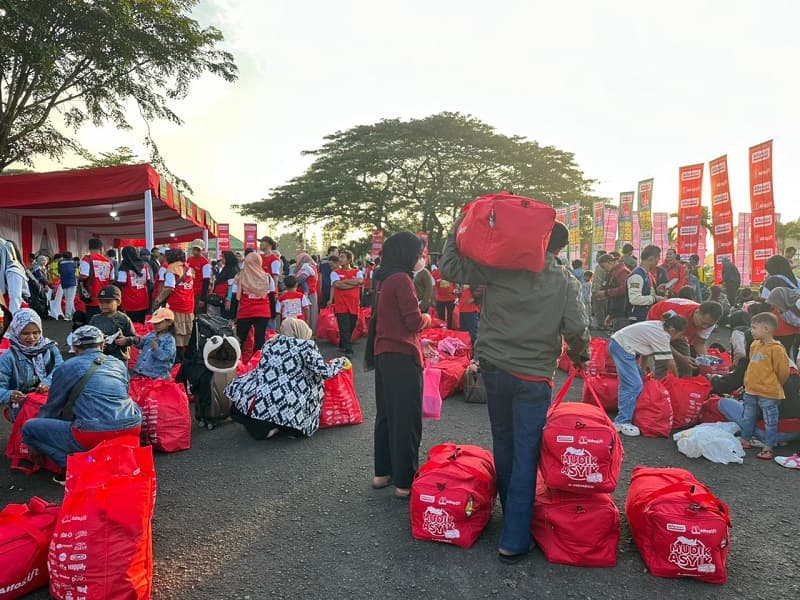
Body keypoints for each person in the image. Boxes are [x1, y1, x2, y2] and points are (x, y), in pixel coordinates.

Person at [440, 220, 589, 563]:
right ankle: (515, 536)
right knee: (526, 451)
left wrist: (456, 228)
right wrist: (580, 355)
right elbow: (577, 328)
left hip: (494, 368)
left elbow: (450, 267)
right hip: (534, 376)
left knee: (504, 443)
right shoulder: (564, 279)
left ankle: (512, 522)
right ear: (560, 248)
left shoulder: (502, 266)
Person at [21, 325, 142, 483]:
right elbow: (123, 393)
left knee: (29, 428)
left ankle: (72, 467)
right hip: (131, 426)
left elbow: (53, 406)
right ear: (102, 345)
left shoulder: (67, 367)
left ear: (75, 347)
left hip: (94, 433)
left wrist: (37, 438)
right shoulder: (118, 363)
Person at [366, 232, 432, 500]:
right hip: (403, 356)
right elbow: (413, 322)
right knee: (406, 418)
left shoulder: (383, 278)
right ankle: (404, 482)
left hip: (384, 353)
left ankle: (382, 473)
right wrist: (427, 318)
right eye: (418, 253)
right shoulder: (402, 280)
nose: (421, 258)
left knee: (386, 415)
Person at [226, 318, 349, 440]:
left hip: (263, 398)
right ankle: (281, 428)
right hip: (291, 402)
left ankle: (264, 426)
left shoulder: (270, 344)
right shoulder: (306, 346)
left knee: (251, 414)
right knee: (297, 429)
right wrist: (340, 362)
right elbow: (325, 372)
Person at [608, 314, 688, 436]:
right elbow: (669, 361)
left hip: (621, 345)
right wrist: (677, 380)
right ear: (672, 330)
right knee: (634, 385)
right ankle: (622, 421)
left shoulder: (659, 326)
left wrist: (642, 367)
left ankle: (628, 413)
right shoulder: (663, 335)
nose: (678, 338)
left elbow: (645, 347)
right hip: (623, 348)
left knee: (636, 380)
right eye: (679, 335)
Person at [739, 312, 790, 460]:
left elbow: (783, 372)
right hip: (751, 390)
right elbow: (751, 364)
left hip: (769, 393)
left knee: (770, 421)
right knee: (748, 416)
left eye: (754, 327)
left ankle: (768, 447)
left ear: (766, 329)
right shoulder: (754, 345)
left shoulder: (777, 349)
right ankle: (745, 439)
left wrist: (773, 384)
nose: (751, 331)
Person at [0, 309, 63, 422]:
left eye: (36, 332)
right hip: (23, 409)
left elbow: (60, 370)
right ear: (16, 331)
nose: (31, 337)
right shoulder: (8, 357)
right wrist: (10, 395)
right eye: (25, 333)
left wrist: (47, 382)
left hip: (50, 404)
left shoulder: (50, 348)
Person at [646, 299, 723, 377]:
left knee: (688, 365)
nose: (704, 327)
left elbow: (699, 343)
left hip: (679, 330)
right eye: (703, 322)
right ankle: (659, 381)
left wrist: (707, 362)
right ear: (696, 312)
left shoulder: (709, 322)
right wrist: (681, 358)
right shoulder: (678, 315)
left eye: (709, 325)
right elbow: (662, 341)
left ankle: (683, 382)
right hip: (659, 320)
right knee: (664, 362)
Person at [152, 249, 195, 360]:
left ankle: (177, 359)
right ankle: (187, 357)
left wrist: (158, 300)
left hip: (176, 304)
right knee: (186, 332)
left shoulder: (172, 269)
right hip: (188, 304)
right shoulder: (187, 268)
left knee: (176, 332)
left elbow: (169, 288)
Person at [760, 254, 800, 359]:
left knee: (781, 357)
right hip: (797, 323)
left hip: (780, 325)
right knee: (794, 355)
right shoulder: (796, 281)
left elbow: (765, 303)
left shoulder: (772, 281)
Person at [234, 251, 273, 352]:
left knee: (239, 339)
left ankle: (238, 360)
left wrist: (233, 314)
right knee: (260, 340)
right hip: (263, 311)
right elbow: (272, 295)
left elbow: (234, 294)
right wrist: (273, 313)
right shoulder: (267, 277)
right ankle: (258, 359)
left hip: (245, 311)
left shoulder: (240, 276)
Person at [89, 285, 138, 364]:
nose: (104, 305)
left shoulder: (124, 319)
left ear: (118, 302)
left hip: (119, 358)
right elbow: (89, 337)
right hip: (100, 358)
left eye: (108, 302)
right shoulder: (95, 319)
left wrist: (126, 340)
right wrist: (98, 342)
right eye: (101, 302)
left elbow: (135, 338)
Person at [329, 250, 363, 356]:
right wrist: (353, 283)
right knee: (344, 327)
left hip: (353, 304)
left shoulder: (357, 271)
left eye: (342, 257)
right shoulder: (335, 273)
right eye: (340, 257)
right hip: (341, 304)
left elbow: (360, 281)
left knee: (351, 325)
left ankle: (342, 344)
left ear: (349, 260)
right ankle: (349, 350)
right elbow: (337, 285)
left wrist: (344, 282)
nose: (340, 259)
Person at [132, 308, 177, 379]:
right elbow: (142, 344)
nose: (156, 325)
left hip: (156, 375)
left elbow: (166, 356)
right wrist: (137, 341)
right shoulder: (152, 334)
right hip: (141, 371)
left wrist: (157, 349)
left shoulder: (170, 340)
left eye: (159, 323)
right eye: (154, 323)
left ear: (169, 323)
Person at [625, 244, 666, 324]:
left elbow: (647, 292)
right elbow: (634, 299)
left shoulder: (647, 274)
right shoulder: (637, 275)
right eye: (657, 260)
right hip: (637, 318)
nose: (657, 263)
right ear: (651, 259)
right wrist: (655, 298)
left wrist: (656, 290)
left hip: (645, 316)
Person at [80, 238, 114, 321]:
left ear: (89, 248)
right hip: (105, 295)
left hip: (92, 295)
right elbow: (112, 278)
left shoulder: (87, 259)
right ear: (101, 248)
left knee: (92, 320)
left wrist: (78, 277)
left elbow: (84, 276)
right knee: (105, 319)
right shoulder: (108, 261)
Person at [594, 253, 631, 331]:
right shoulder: (615, 271)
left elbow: (624, 289)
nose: (604, 269)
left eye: (603, 267)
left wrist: (606, 293)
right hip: (618, 311)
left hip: (622, 312)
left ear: (609, 262)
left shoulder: (622, 271)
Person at [115, 246, 151, 323]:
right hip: (143, 300)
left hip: (129, 301)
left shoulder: (124, 267)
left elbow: (121, 283)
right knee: (142, 323)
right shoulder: (144, 266)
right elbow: (148, 280)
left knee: (131, 324)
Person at [0, 239, 30, 314]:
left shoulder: (13, 270)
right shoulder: (5, 269)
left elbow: (15, 299)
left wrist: (11, 319)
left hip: (14, 311)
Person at [210, 251, 239, 319]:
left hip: (229, 299)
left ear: (228, 258)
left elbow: (231, 286)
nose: (222, 259)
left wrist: (228, 300)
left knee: (226, 318)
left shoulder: (232, 269)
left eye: (223, 257)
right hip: (223, 298)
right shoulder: (227, 268)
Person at [294, 253, 319, 332]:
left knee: (308, 313)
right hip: (307, 293)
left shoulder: (308, 267)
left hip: (308, 294)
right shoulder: (311, 266)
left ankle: (308, 331)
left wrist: (293, 280)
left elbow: (302, 278)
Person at [187, 239, 212, 314]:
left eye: (198, 250)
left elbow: (206, 281)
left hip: (199, 294)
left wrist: (203, 298)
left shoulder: (205, 263)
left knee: (199, 315)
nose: (195, 252)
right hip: (189, 292)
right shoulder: (189, 260)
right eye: (194, 249)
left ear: (202, 250)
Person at [432, 265, 457, 329]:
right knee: (441, 318)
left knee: (450, 317)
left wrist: (457, 296)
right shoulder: (434, 273)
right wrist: (433, 299)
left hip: (451, 298)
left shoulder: (451, 272)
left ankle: (450, 330)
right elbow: (433, 288)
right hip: (440, 299)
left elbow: (456, 283)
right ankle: (441, 330)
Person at [54, 251, 77, 320]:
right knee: (70, 300)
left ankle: (74, 315)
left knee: (68, 299)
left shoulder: (60, 262)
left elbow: (59, 272)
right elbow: (74, 271)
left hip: (64, 282)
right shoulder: (73, 262)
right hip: (72, 282)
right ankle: (67, 316)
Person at [591, 250, 609, 328]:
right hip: (600, 290)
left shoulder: (601, 267)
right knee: (601, 308)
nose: (596, 257)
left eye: (598, 256)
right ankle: (602, 324)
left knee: (599, 308)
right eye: (596, 256)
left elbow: (601, 280)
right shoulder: (599, 266)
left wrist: (598, 291)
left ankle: (601, 324)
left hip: (599, 291)